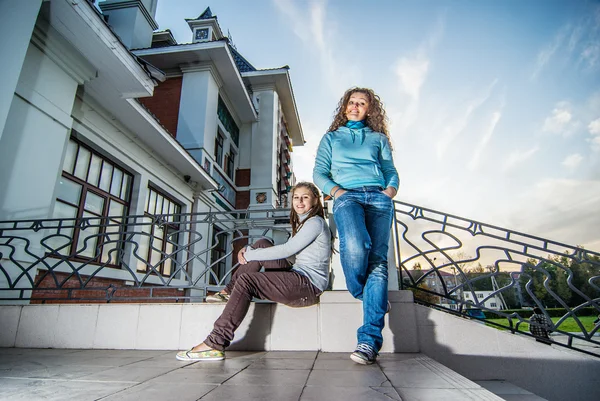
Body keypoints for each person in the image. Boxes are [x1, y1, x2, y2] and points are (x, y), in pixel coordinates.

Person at [176, 182, 332, 361]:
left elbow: (287, 250)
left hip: (307, 287)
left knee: (247, 280)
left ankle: (215, 343)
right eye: (296, 197)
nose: (300, 202)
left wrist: (250, 255)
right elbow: (281, 251)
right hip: (298, 276)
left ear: (315, 200)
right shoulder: (306, 222)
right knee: (263, 243)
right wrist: (252, 249)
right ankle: (227, 292)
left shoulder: (315, 222)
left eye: (305, 197)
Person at [313, 87, 399, 365]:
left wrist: (390, 190)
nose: (355, 106)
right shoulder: (332, 138)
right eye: (352, 102)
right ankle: (367, 295)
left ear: (369, 109)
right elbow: (319, 172)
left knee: (378, 263)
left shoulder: (378, 138)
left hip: (378, 197)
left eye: (362, 103)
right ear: (344, 106)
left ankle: (368, 342)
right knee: (356, 244)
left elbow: (390, 170)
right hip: (347, 197)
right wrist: (337, 192)